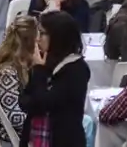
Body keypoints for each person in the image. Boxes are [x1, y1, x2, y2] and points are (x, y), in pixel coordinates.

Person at [21, 11, 90, 147]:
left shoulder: (76, 69)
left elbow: (45, 103)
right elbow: (24, 101)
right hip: (35, 138)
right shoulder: (44, 62)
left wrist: (39, 72)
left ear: (58, 37)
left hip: (63, 140)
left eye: (42, 33)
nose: (37, 39)